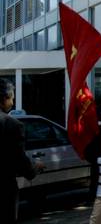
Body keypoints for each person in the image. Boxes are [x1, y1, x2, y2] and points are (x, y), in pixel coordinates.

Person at [0, 79, 44, 222]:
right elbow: (19, 161)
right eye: (12, 98)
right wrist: (35, 166)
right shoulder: (12, 125)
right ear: (4, 98)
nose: (12, 103)